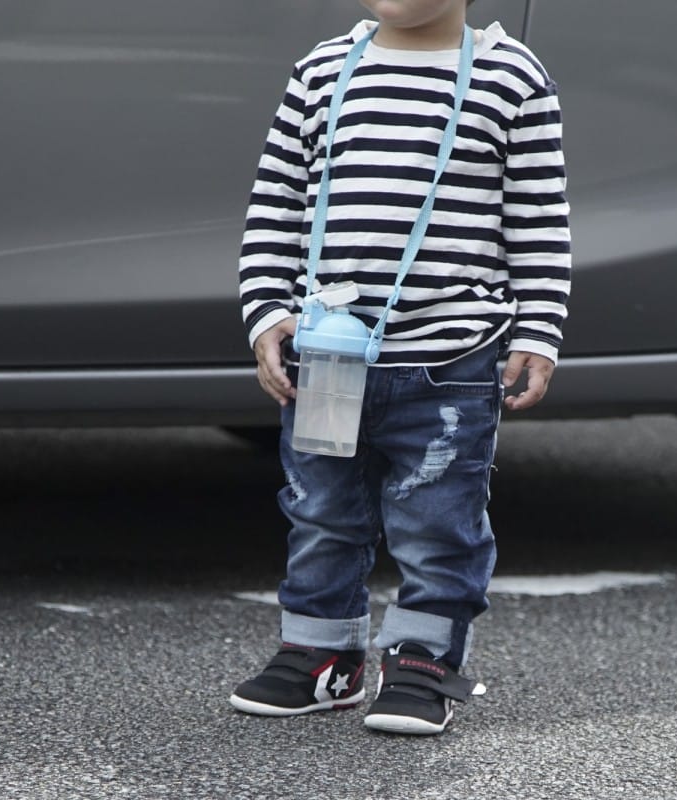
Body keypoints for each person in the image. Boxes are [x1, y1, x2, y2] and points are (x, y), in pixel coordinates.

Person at [233, 0, 570, 735]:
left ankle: (422, 657)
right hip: (327, 355)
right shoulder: (322, 71)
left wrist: (539, 331)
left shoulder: (510, 76)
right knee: (321, 511)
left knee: (438, 521)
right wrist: (267, 309)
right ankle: (321, 655)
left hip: (449, 361)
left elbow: (539, 220)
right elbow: (276, 202)